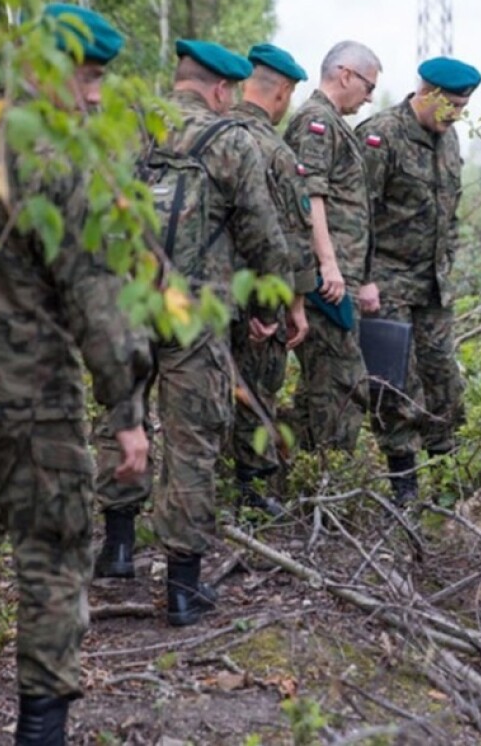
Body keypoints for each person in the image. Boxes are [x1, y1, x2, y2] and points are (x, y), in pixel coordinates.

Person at [0, 3, 151, 745]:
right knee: (52, 560)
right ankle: (41, 733)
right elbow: (97, 297)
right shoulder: (60, 159)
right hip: (35, 404)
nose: (93, 96)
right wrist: (127, 412)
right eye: (85, 77)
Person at [92, 39, 293, 628]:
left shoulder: (127, 124)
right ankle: (182, 589)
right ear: (222, 89)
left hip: (127, 299)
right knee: (191, 440)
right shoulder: (232, 140)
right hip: (197, 314)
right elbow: (262, 235)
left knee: (121, 417)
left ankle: (119, 549)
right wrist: (265, 308)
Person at [355, 56, 481, 506]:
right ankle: (403, 490)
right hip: (385, 281)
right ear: (426, 93)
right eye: (450, 107)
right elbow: (356, 213)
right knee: (394, 387)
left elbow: (451, 212)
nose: (456, 116)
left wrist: (448, 260)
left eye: (462, 109)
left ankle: (449, 489)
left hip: (433, 285)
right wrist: (363, 278)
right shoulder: (381, 134)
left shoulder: (450, 141)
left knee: (444, 379)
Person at [226, 43, 318, 515]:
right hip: (257, 292)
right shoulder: (273, 149)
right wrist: (292, 305)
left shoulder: (213, 133)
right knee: (258, 384)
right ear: (281, 92)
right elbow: (290, 237)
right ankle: (249, 487)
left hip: (204, 292)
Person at [284, 41, 382, 456]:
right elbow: (311, 195)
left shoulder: (333, 123)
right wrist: (329, 265)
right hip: (326, 282)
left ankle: (296, 475)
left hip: (338, 279)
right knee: (343, 382)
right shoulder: (315, 121)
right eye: (368, 85)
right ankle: (322, 477)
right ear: (345, 75)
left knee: (323, 384)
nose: (371, 96)